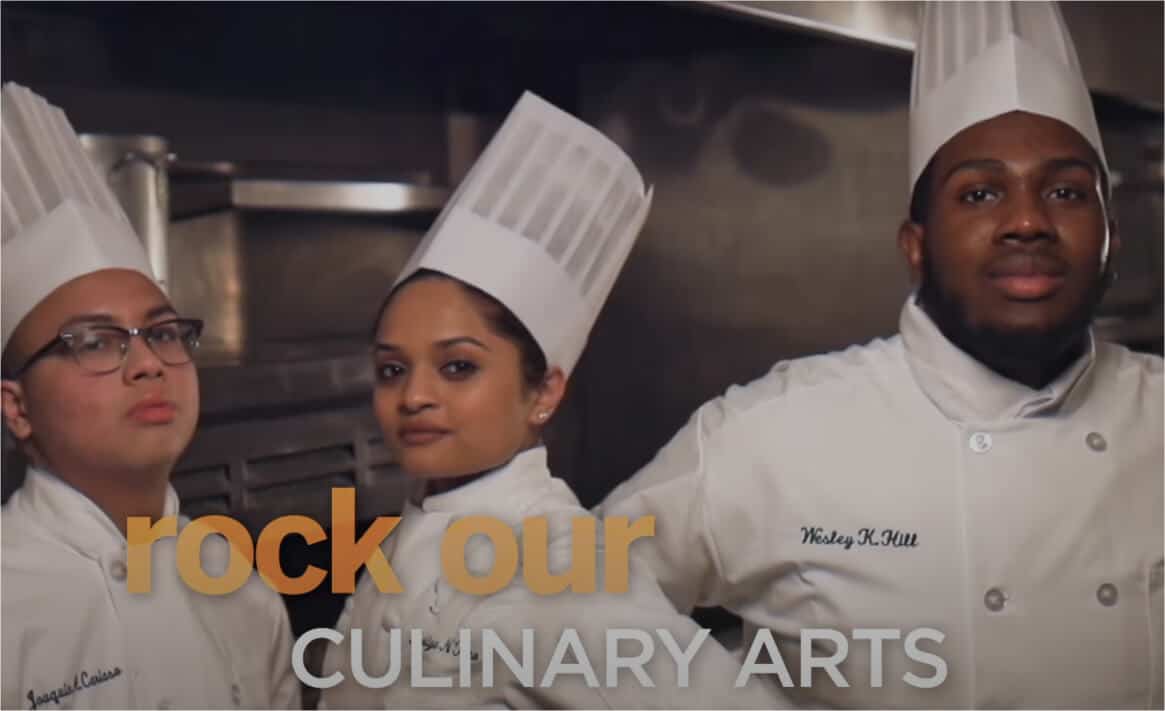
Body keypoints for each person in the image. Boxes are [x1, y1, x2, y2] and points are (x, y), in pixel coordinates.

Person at [598, 2, 1163, 708]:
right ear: (915, 244)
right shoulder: (770, 436)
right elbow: (560, 614)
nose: (1026, 220)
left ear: (1111, 236)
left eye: (1065, 191)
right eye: (980, 191)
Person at [320, 92, 780, 709]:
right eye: (392, 368)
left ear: (543, 391)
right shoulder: (412, 532)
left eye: (458, 367)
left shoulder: (563, 574)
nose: (415, 396)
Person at [0, 83, 300, 710]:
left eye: (162, 333)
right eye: (96, 342)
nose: (146, 364)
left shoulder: (239, 584)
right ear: (16, 408)